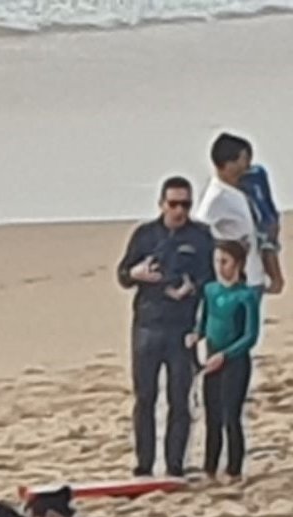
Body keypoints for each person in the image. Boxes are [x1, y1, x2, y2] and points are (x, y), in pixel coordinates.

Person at [116, 176, 215, 478]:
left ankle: (175, 465)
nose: (179, 210)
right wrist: (137, 273)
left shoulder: (200, 237)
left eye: (185, 204)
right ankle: (144, 465)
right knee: (145, 398)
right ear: (161, 204)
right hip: (147, 325)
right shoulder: (145, 235)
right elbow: (122, 275)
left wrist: (190, 287)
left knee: (179, 399)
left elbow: (212, 277)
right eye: (173, 204)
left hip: (182, 328)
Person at [189, 240, 262, 481]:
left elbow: (250, 336)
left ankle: (233, 469)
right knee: (212, 416)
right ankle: (209, 467)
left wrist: (226, 355)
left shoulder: (246, 296)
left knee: (231, 415)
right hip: (211, 360)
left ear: (238, 264)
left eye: (225, 262)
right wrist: (196, 334)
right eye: (217, 261)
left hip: (235, 362)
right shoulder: (211, 290)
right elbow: (206, 319)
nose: (220, 267)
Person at [199, 133, 272, 294]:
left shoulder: (246, 186)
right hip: (233, 283)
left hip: (254, 276)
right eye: (243, 159)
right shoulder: (215, 197)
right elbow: (200, 231)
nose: (247, 165)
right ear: (228, 164)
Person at [240, 143, 285, 296]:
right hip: (253, 225)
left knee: (268, 247)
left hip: (265, 220)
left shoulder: (257, 173)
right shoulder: (236, 181)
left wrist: (273, 217)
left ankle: (275, 281)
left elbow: (266, 197)